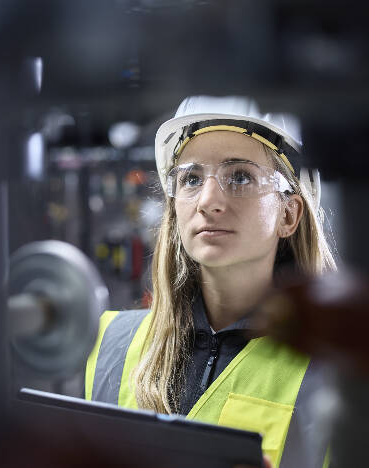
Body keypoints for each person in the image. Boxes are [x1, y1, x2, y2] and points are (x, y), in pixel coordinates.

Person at [85, 96, 337, 468]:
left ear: (289, 213)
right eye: (191, 178)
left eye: (240, 176)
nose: (208, 201)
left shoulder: (332, 367)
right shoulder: (107, 341)